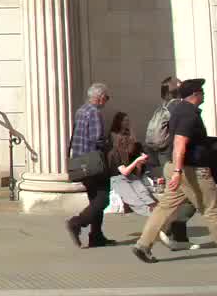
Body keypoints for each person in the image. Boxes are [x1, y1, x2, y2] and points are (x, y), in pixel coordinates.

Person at [132, 79, 217, 264]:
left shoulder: (178, 110)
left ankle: (143, 245)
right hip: (192, 171)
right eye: (202, 92)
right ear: (195, 95)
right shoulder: (188, 114)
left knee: (164, 207)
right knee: (211, 209)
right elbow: (180, 144)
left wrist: (176, 171)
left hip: (178, 168)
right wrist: (178, 171)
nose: (204, 94)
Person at [147, 76, 199, 251]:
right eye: (180, 83)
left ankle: (180, 239)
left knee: (179, 196)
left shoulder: (163, 106)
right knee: (191, 198)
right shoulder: (180, 106)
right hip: (176, 158)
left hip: (165, 156)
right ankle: (167, 227)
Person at [65, 83, 113, 249]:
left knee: (94, 198)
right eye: (106, 97)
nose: (107, 101)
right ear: (99, 98)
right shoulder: (94, 112)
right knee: (103, 198)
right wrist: (109, 144)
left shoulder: (81, 110)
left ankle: (97, 236)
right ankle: (77, 222)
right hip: (93, 162)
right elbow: (97, 138)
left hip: (80, 162)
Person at [108, 142, 157, 216]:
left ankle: (154, 206)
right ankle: (150, 212)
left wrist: (139, 164)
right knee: (132, 197)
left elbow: (137, 174)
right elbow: (124, 172)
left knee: (142, 191)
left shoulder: (133, 152)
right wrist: (137, 161)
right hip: (116, 178)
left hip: (130, 176)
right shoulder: (115, 152)